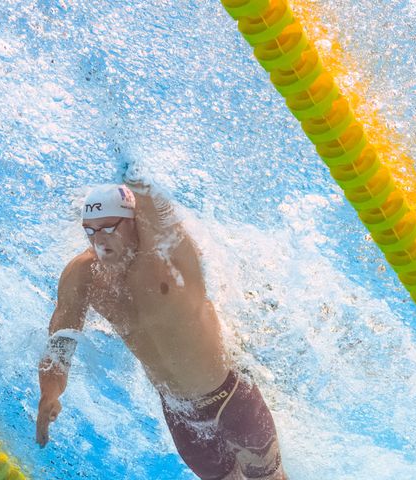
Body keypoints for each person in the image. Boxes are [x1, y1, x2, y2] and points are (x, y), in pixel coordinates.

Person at [36, 180, 287, 480]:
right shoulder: (83, 275)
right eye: (89, 231)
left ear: (132, 223)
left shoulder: (167, 256)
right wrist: (49, 392)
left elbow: (157, 206)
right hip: (180, 416)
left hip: (230, 397)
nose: (98, 241)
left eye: (107, 228)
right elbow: (60, 344)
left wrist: (132, 170)